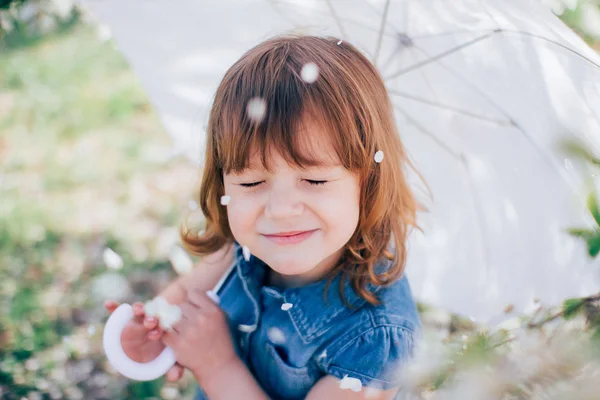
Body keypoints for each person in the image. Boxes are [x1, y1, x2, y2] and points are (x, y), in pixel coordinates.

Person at [105, 34, 424, 399]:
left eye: (315, 179)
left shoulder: (377, 339)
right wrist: (145, 339)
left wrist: (216, 365)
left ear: (367, 183)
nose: (280, 209)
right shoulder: (239, 248)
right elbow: (172, 308)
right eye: (253, 182)